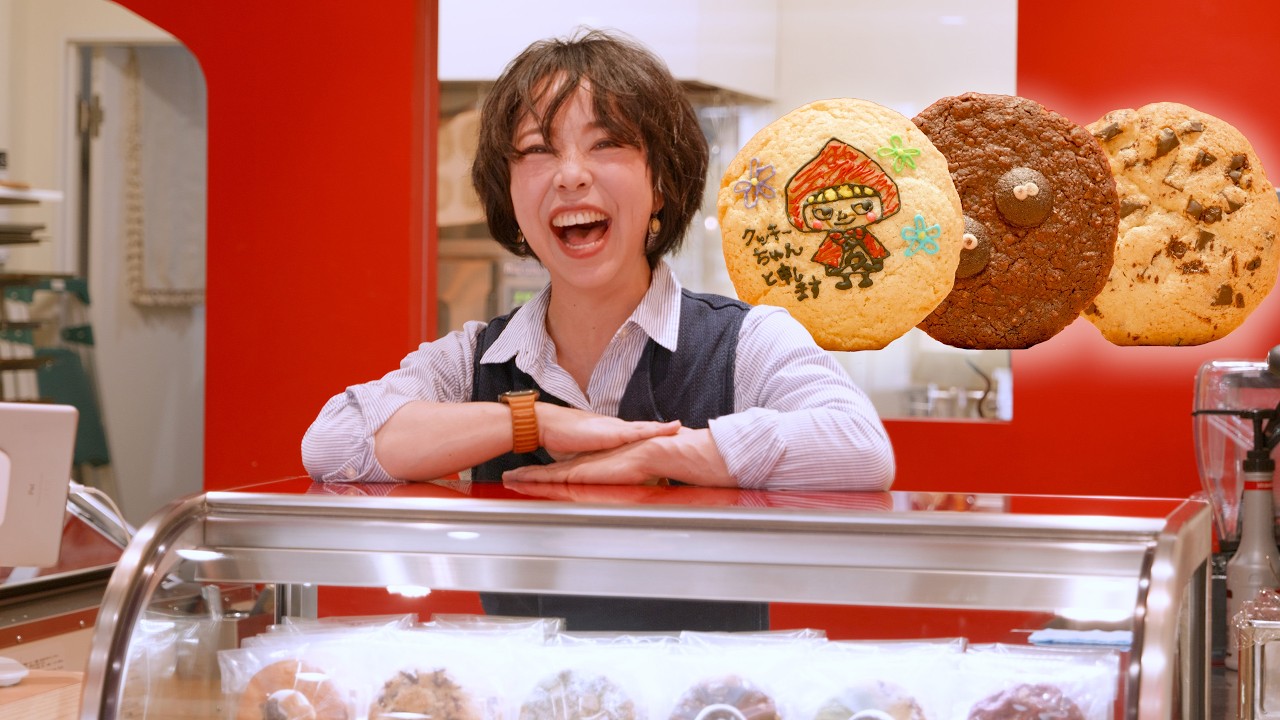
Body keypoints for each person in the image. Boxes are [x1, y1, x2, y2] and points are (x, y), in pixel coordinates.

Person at [301, 28, 894, 630]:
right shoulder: (472, 359)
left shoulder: (747, 341)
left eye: (606, 143)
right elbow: (332, 444)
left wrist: (657, 455)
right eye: (536, 150)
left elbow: (861, 449)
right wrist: (535, 419)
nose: (570, 175)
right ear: (508, 193)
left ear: (661, 181)